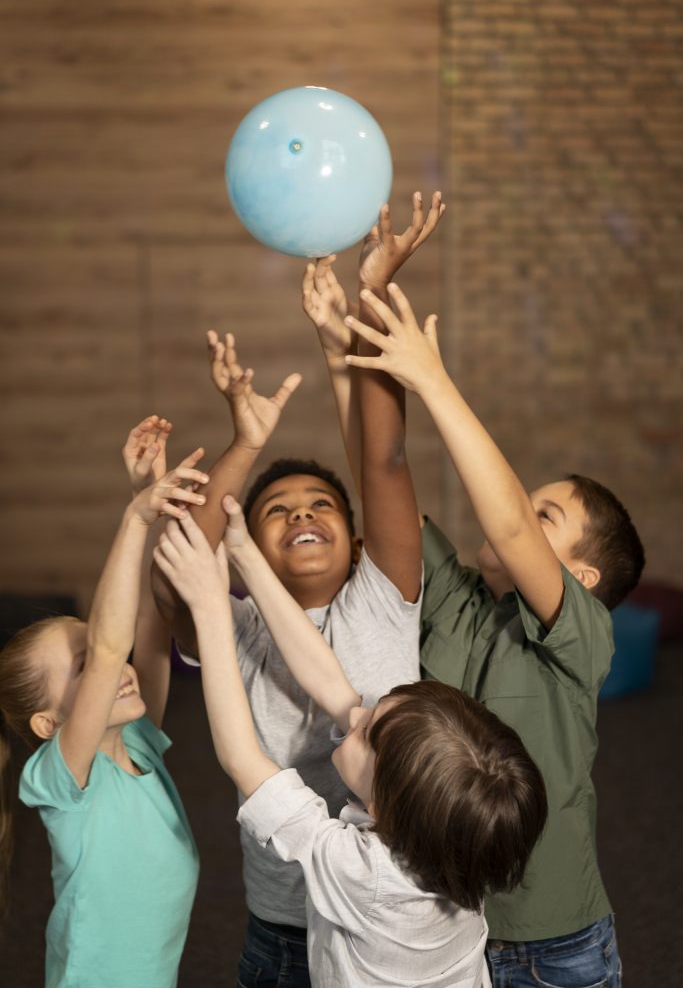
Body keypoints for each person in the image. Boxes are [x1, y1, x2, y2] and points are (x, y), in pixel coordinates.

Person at [151, 193, 445, 988]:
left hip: (399, 905)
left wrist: (369, 302)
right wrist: (246, 444)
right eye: (277, 513)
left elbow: (381, 462)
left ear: (355, 540)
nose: (302, 515)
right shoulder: (238, 624)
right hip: (284, 918)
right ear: (255, 548)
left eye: (321, 506)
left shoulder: (383, 593)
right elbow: (185, 563)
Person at [342, 283, 645, 988]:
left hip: (555, 947)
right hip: (450, 930)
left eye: (546, 516)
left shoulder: (582, 637)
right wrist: (359, 343)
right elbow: (381, 476)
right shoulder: (461, 605)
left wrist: (434, 378)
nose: (514, 512)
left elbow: (506, 523)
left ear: (582, 576)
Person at [153, 501, 548, 988]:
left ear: (385, 801)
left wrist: (211, 606)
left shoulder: (366, 874)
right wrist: (243, 553)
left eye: (364, 731)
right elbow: (332, 684)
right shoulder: (453, 840)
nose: (355, 712)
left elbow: (241, 756)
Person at [0, 417, 206, 988]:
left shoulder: (140, 743)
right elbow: (115, 641)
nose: (112, 668)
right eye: (86, 667)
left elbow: (144, 623)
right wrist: (134, 516)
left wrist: (153, 500)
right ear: (48, 722)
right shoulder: (63, 777)